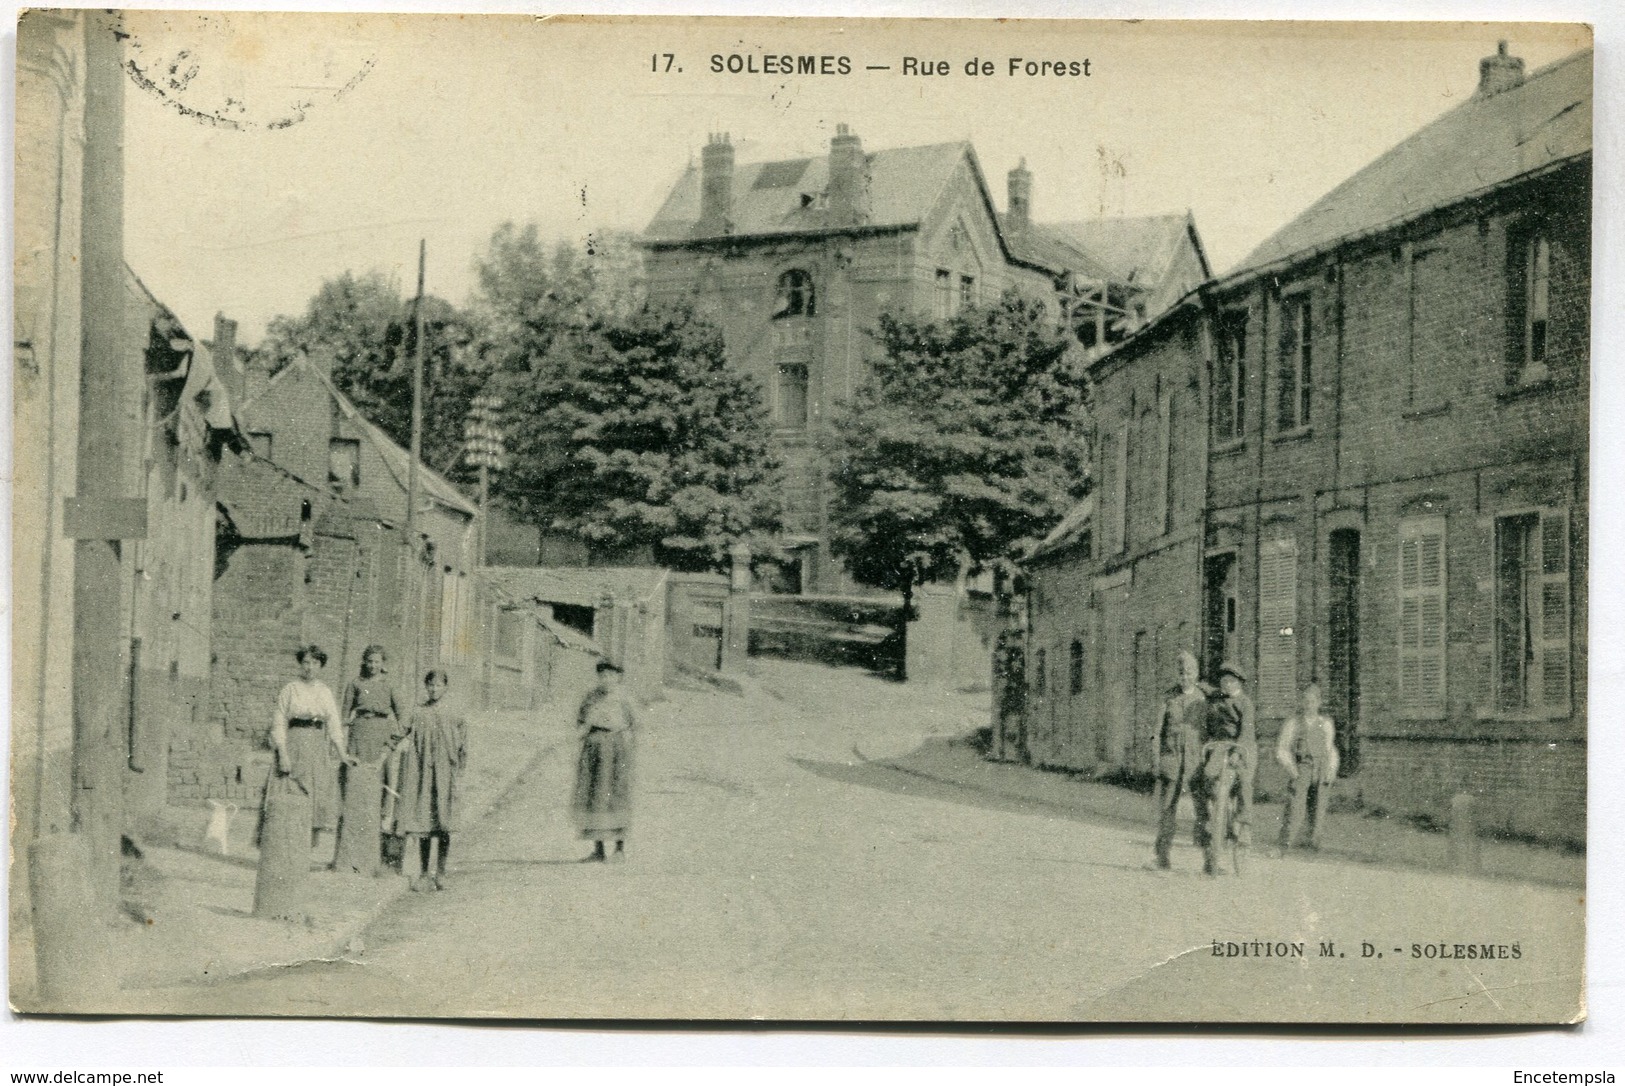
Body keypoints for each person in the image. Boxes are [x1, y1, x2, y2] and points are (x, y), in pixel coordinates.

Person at [269, 644, 349, 860]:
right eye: (306, 662)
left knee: (314, 795)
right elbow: (278, 723)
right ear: (300, 664)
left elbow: (333, 724)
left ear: (321, 666)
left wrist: (342, 753)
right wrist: (283, 753)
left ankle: (303, 853)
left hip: (316, 746)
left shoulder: (324, 692)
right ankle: (282, 851)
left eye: (315, 663)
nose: (310, 667)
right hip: (294, 742)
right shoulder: (290, 689)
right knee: (289, 790)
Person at [390, 670, 466, 892]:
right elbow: (401, 731)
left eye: (438, 685)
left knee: (443, 823)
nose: (434, 689)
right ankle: (424, 872)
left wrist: (459, 769)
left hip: (444, 775)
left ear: (445, 687)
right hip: (423, 775)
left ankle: (440, 873)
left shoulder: (454, 714)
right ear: (426, 687)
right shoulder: (418, 712)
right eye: (430, 685)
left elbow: (463, 744)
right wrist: (387, 745)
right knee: (424, 823)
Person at [337, 645, 405, 874]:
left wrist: (391, 742)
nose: (373, 665)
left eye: (377, 661)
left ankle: (372, 859)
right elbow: (344, 717)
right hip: (358, 737)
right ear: (364, 662)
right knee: (354, 794)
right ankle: (348, 858)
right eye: (369, 661)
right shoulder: (355, 684)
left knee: (377, 795)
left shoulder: (390, 685)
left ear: (383, 663)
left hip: (381, 738)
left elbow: (404, 719)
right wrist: (343, 746)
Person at [1151, 651, 1212, 871]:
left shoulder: (1204, 698)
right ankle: (1162, 857)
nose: (1185, 677)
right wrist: (1156, 760)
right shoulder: (1168, 699)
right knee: (1168, 810)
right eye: (1181, 673)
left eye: (1189, 672)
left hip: (1196, 761)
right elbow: (1157, 732)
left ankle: (1210, 860)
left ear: (1196, 674)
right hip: (1172, 758)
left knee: (1203, 811)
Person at [572, 659, 638, 863]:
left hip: (616, 749)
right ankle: (598, 849)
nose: (606, 679)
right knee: (594, 796)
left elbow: (634, 724)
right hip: (593, 748)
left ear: (618, 677)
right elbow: (581, 722)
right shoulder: (591, 697)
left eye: (611, 675)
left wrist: (627, 747)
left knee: (616, 795)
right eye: (602, 675)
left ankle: (619, 850)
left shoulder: (625, 698)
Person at [1197, 661, 1257, 867]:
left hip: (1242, 746)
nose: (1227, 685)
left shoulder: (1245, 703)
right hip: (1219, 746)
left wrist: (1238, 752)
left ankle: (1245, 825)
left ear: (1239, 683)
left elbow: (1247, 731)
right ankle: (1217, 822)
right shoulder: (1216, 698)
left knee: (1244, 782)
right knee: (1208, 777)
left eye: (1231, 682)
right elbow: (1202, 687)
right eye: (1224, 682)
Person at [1275, 682, 1339, 853]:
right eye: (1305, 701)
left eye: (1312, 701)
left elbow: (1330, 748)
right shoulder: (1293, 723)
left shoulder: (1326, 723)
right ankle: (1287, 843)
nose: (1309, 705)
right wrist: (1291, 769)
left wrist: (1332, 768)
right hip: (1302, 767)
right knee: (1295, 804)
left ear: (1319, 703)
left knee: (1319, 806)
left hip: (1321, 767)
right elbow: (1282, 748)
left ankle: (1313, 844)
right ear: (1301, 702)